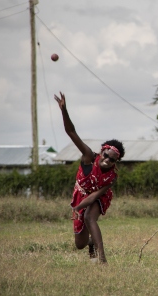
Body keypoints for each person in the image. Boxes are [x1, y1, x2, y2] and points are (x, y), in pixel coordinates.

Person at [54, 91, 125, 264]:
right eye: (106, 155)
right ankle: (91, 242)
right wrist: (64, 110)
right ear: (102, 151)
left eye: (112, 160)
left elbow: (94, 196)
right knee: (80, 244)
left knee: (89, 217)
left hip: (98, 197)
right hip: (81, 192)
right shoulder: (88, 157)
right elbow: (71, 131)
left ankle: (102, 259)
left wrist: (79, 208)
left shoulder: (111, 176)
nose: (107, 161)